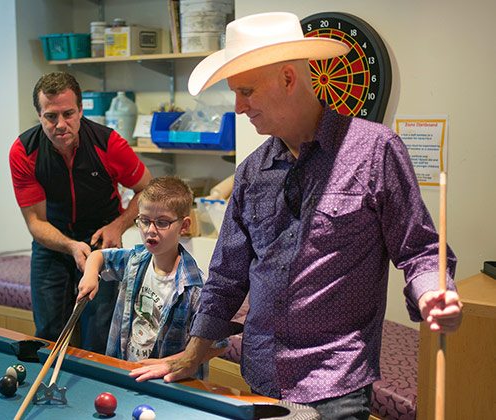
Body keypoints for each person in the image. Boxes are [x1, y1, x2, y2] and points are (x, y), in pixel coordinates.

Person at [129, 12, 463, 420]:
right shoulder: (252, 171)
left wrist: (432, 293)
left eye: (246, 91)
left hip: (333, 383)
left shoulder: (375, 150)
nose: (237, 107)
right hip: (261, 378)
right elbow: (227, 276)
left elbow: (420, 251)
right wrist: (193, 352)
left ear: (289, 79)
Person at [9, 71, 153, 353]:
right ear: (38, 115)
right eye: (51, 116)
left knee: (97, 337)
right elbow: (35, 222)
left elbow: (148, 190)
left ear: (81, 110)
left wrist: (118, 226)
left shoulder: (108, 143)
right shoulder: (23, 151)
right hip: (53, 242)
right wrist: (72, 246)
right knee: (48, 335)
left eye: (68, 114)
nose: (60, 124)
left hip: (102, 239)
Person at [77, 176, 227, 380]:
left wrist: (169, 363)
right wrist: (90, 275)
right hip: (127, 371)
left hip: (173, 384)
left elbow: (217, 345)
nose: (150, 231)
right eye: (144, 221)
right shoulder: (135, 260)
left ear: (184, 226)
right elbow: (98, 256)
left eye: (162, 223)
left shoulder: (197, 287)